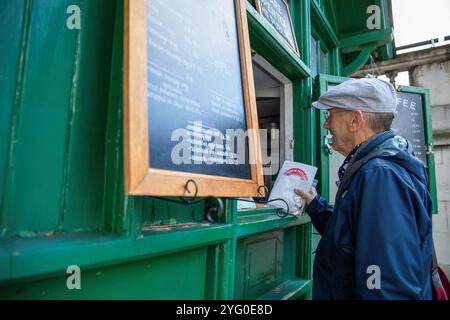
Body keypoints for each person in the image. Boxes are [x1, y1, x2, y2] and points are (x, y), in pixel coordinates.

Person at [295, 78, 433, 300]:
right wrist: (316, 206)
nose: (326, 125)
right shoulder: (382, 168)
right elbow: (356, 235)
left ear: (354, 120)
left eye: (330, 115)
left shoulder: (380, 175)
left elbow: (386, 286)